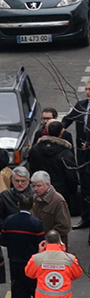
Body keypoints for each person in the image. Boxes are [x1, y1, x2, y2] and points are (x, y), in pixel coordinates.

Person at [0, 193, 44, 298]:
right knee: (36, 294)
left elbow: (3, 241)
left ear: (18, 205)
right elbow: (41, 244)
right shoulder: (36, 223)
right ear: (33, 205)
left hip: (15, 264)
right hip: (31, 264)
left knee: (20, 295)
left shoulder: (9, 221)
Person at [25, 230, 82, 298]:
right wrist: (64, 252)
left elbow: (29, 274)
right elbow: (76, 275)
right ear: (60, 242)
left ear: (45, 242)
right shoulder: (69, 259)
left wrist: (40, 253)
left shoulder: (37, 258)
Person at [28, 121, 77, 204]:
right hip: (61, 191)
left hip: (41, 188)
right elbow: (70, 174)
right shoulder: (66, 153)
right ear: (61, 132)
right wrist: (73, 190)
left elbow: (31, 166)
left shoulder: (36, 148)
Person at [62, 83, 90, 229]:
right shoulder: (81, 106)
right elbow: (68, 119)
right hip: (82, 152)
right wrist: (56, 129)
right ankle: (86, 217)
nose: (87, 92)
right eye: (86, 89)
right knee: (85, 184)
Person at [30, 170, 72, 248]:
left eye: (39, 186)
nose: (35, 189)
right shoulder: (36, 198)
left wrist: (49, 238)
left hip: (55, 246)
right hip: (39, 244)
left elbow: (64, 226)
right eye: (33, 186)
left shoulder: (58, 201)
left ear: (47, 184)